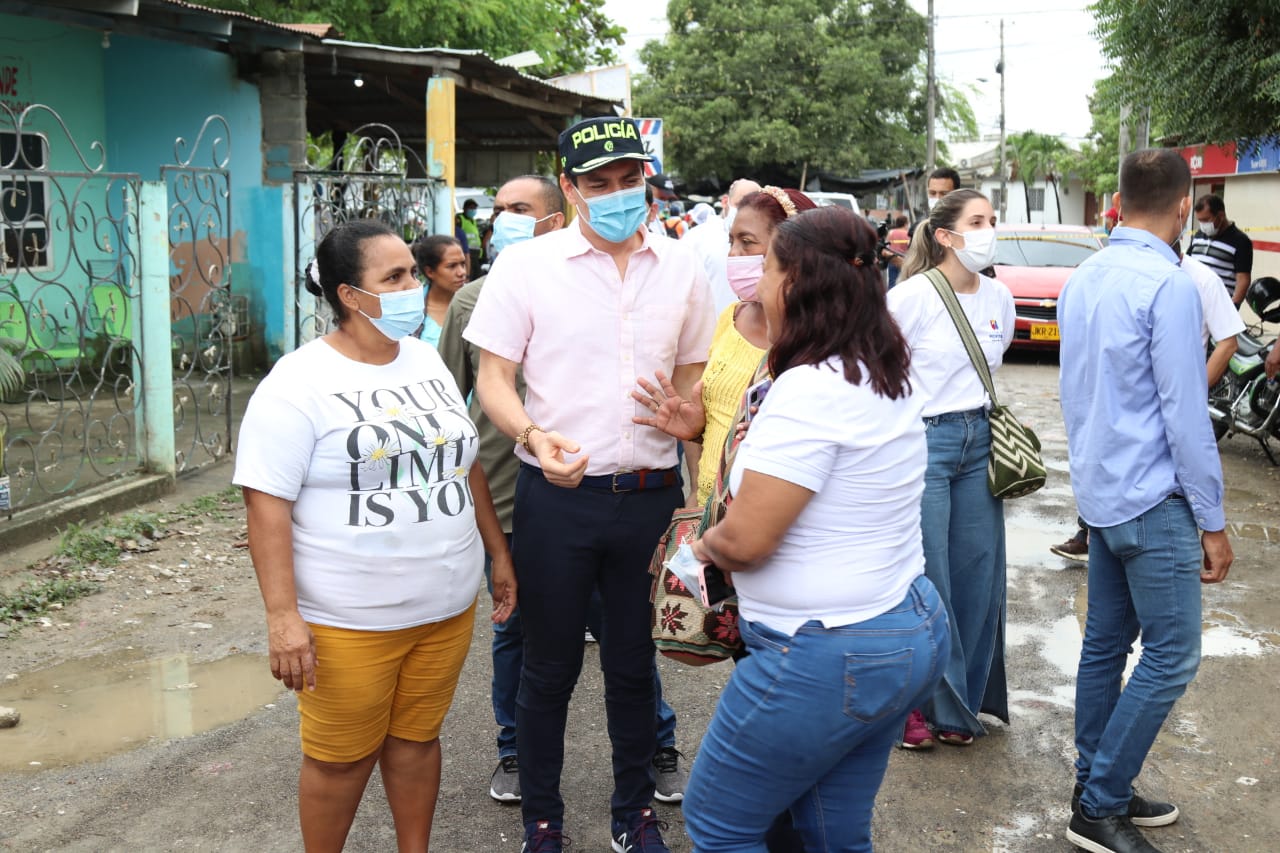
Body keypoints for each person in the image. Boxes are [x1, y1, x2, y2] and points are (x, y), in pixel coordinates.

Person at [464, 115, 713, 853]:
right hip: (557, 500)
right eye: (596, 183)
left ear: (647, 180)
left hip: (649, 497)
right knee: (549, 666)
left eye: (628, 180)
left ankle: (634, 812)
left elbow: (694, 373)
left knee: (636, 666)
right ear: (569, 189)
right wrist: (533, 436)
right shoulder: (527, 269)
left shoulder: (681, 269)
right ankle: (542, 817)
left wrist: (689, 421)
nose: (615, 195)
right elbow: (493, 379)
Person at [233, 219, 516, 852]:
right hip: (349, 621)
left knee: (417, 741)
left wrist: (497, 552)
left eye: (413, 273)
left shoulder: (424, 358)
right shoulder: (296, 384)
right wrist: (283, 617)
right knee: (341, 761)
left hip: (443, 610)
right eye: (394, 278)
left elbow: (462, 459)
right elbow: (265, 507)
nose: (412, 287)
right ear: (348, 295)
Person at [682, 205, 949, 852]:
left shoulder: (810, 389)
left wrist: (699, 546)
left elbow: (747, 541)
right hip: (904, 624)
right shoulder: (883, 364)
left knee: (718, 821)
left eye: (766, 265)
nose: (755, 280)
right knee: (831, 829)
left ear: (794, 282)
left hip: (826, 651)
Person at [1059, 148, 1233, 853]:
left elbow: (1077, 394)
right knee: (1172, 655)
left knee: (1106, 646)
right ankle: (1098, 803)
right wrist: (1213, 522)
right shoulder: (1170, 283)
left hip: (1103, 496)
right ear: (1185, 203)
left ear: (1119, 201)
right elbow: (1185, 415)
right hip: (1154, 500)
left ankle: (1096, 781)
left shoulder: (1086, 276)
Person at [888, 188, 1015, 750]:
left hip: (980, 442)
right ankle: (915, 706)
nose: (990, 230)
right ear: (945, 235)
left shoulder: (1000, 298)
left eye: (992, 219)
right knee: (926, 576)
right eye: (977, 221)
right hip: (924, 443)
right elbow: (881, 375)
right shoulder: (911, 298)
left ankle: (960, 704)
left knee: (976, 576)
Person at [1048, 211, 1243, 564]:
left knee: (1108, 620)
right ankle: (1086, 529)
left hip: (1129, 477)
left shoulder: (1190, 280)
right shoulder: (1139, 279)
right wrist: (1212, 524)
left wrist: (1194, 386)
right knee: (1163, 621)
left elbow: (1227, 341)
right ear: (1183, 210)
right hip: (1133, 482)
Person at [636, 187, 816, 508]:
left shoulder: (818, 343)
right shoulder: (731, 318)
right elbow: (720, 422)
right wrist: (694, 433)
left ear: (795, 252)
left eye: (747, 242)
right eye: (731, 241)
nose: (733, 255)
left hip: (763, 519)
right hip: (710, 507)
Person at [687, 177, 763, 314]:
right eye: (741, 204)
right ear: (724, 202)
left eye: (754, 205)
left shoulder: (765, 242)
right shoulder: (696, 238)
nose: (747, 211)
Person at [1187, 193, 1253, 307]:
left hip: (1217, 308)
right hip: (1192, 304)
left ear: (1221, 216)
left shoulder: (1240, 241)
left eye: (1206, 220)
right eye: (1200, 221)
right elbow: (1187, 262)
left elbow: (1243, 279)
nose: (1203, 225)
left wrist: (1233, 307)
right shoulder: (1198, 235)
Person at [412, 235, 468, 348]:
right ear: (430, 272)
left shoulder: (475, 303)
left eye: (463, 264)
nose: (461, 272)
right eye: (452, 266)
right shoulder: (412, 310)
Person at [459, 197, 483, 279]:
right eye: (471, 208)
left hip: (476, 254)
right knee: (470, 276)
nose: (473, 210)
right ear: (465, 208)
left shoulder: (473, 221)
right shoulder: (460, 219)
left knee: (477, 276)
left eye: (474, 208)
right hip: (467, 252)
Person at [883, 214, 910, 288]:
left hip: (892, 260)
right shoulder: (908, 233)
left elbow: (886, 246)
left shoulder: (891, 232)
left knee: (892, 283)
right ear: (905, 223)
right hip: (904, 261)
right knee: (903, 284)